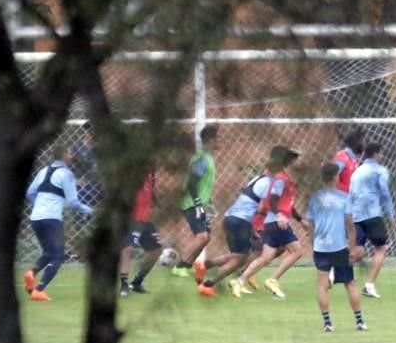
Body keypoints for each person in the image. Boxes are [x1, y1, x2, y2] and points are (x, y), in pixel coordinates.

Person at [196, 149, 292, 298]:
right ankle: (208, 285)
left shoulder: (257, 178)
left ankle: (204, 266)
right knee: (240, 258)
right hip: (241, 221)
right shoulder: (269, 183)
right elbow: (261, 207)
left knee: (239, 255)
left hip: (230, 217)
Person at [23, 144, 94, 301]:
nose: (72, 154)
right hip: (51, 219)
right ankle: (38, 290)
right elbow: (74, 202)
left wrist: (39, 206)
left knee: (48, 253)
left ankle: (31, 273)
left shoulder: (43, 171)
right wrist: (91, 211)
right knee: (58, 255)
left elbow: (29, 193)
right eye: (69, 152)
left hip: (36, 218)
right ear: (63, 155)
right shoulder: (66, 174)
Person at [232, 146, 305, 299]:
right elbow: (272, 199)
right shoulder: (281, 178)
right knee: (298, 251)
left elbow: (287, 204)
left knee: (266, 257)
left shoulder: (286, 178)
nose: (299, 163)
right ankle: (272, 280)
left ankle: (239, 281)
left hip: (273, 223)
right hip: (277, 223)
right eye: (296, 160)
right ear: (290, 162)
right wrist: (279, 215)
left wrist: (300, 220)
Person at [305, 162, 366, 332]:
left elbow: (310, 224)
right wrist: (352, 248)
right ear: (334, 177)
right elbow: (350, 226)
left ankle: (327, 324)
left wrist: (312, 244)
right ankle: (360, 322)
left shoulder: (314, 198)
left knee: (322, 285)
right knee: (350, 284)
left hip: (320, 247)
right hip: (339, 247)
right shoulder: (343, 197)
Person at [348, 141, 395, 299]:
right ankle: (369, 285)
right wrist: (390, 216)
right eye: (381, 153)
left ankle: (335, 272)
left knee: (358, 250)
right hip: (373, 214)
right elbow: (385, 193)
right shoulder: (380, 170)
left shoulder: (356, 171)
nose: (382, 156)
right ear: (376, 154)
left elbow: (351, 194)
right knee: (381, 248)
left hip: (356, 214)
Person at [172, 126, 218, 282]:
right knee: (201, 236)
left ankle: (185, 266)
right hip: (191, 203)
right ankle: (179, 267)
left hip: (200, 204)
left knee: (206, 238)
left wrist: (208, 203)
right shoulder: (201, 159)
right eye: (217, 138)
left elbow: (203, 185)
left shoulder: (208, 158)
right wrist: (198, 204)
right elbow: (192, 183)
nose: (219, 141)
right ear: (211, 140)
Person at [119, 169, 161, 297]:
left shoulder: (151, 170)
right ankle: (124, 284)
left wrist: (157, 203)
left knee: (156, 251)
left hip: (145, 218)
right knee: (128, 248)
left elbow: (150, 189)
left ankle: (137, 282)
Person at [70, 122, 103, 209]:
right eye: (87, 130)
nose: (89, 133)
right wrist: (75, 180)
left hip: (98, 185)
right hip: (81, 186)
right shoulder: (76, 147)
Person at [332, 127, 365, 193]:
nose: (363, 144)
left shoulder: (354, 159)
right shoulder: (342, 157)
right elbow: (333, 177)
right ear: (356, 143)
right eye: (362, 141)